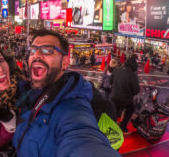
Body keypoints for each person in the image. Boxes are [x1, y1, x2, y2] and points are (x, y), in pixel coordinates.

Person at [13, 29, 120, 157]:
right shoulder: (26, 94)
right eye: (33, 50)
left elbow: (83, 140)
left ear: (65, 62)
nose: (36, 55)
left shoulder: (73, 108)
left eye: (47, 50)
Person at [110, 56, 140, 132]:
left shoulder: (116, 70)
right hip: (125, 99)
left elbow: (110, 81)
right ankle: (123, 126)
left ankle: (111, 126)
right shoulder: (132, 75)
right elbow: (136, 90)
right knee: (130, 109)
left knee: (115, 111)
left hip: (114, 96)